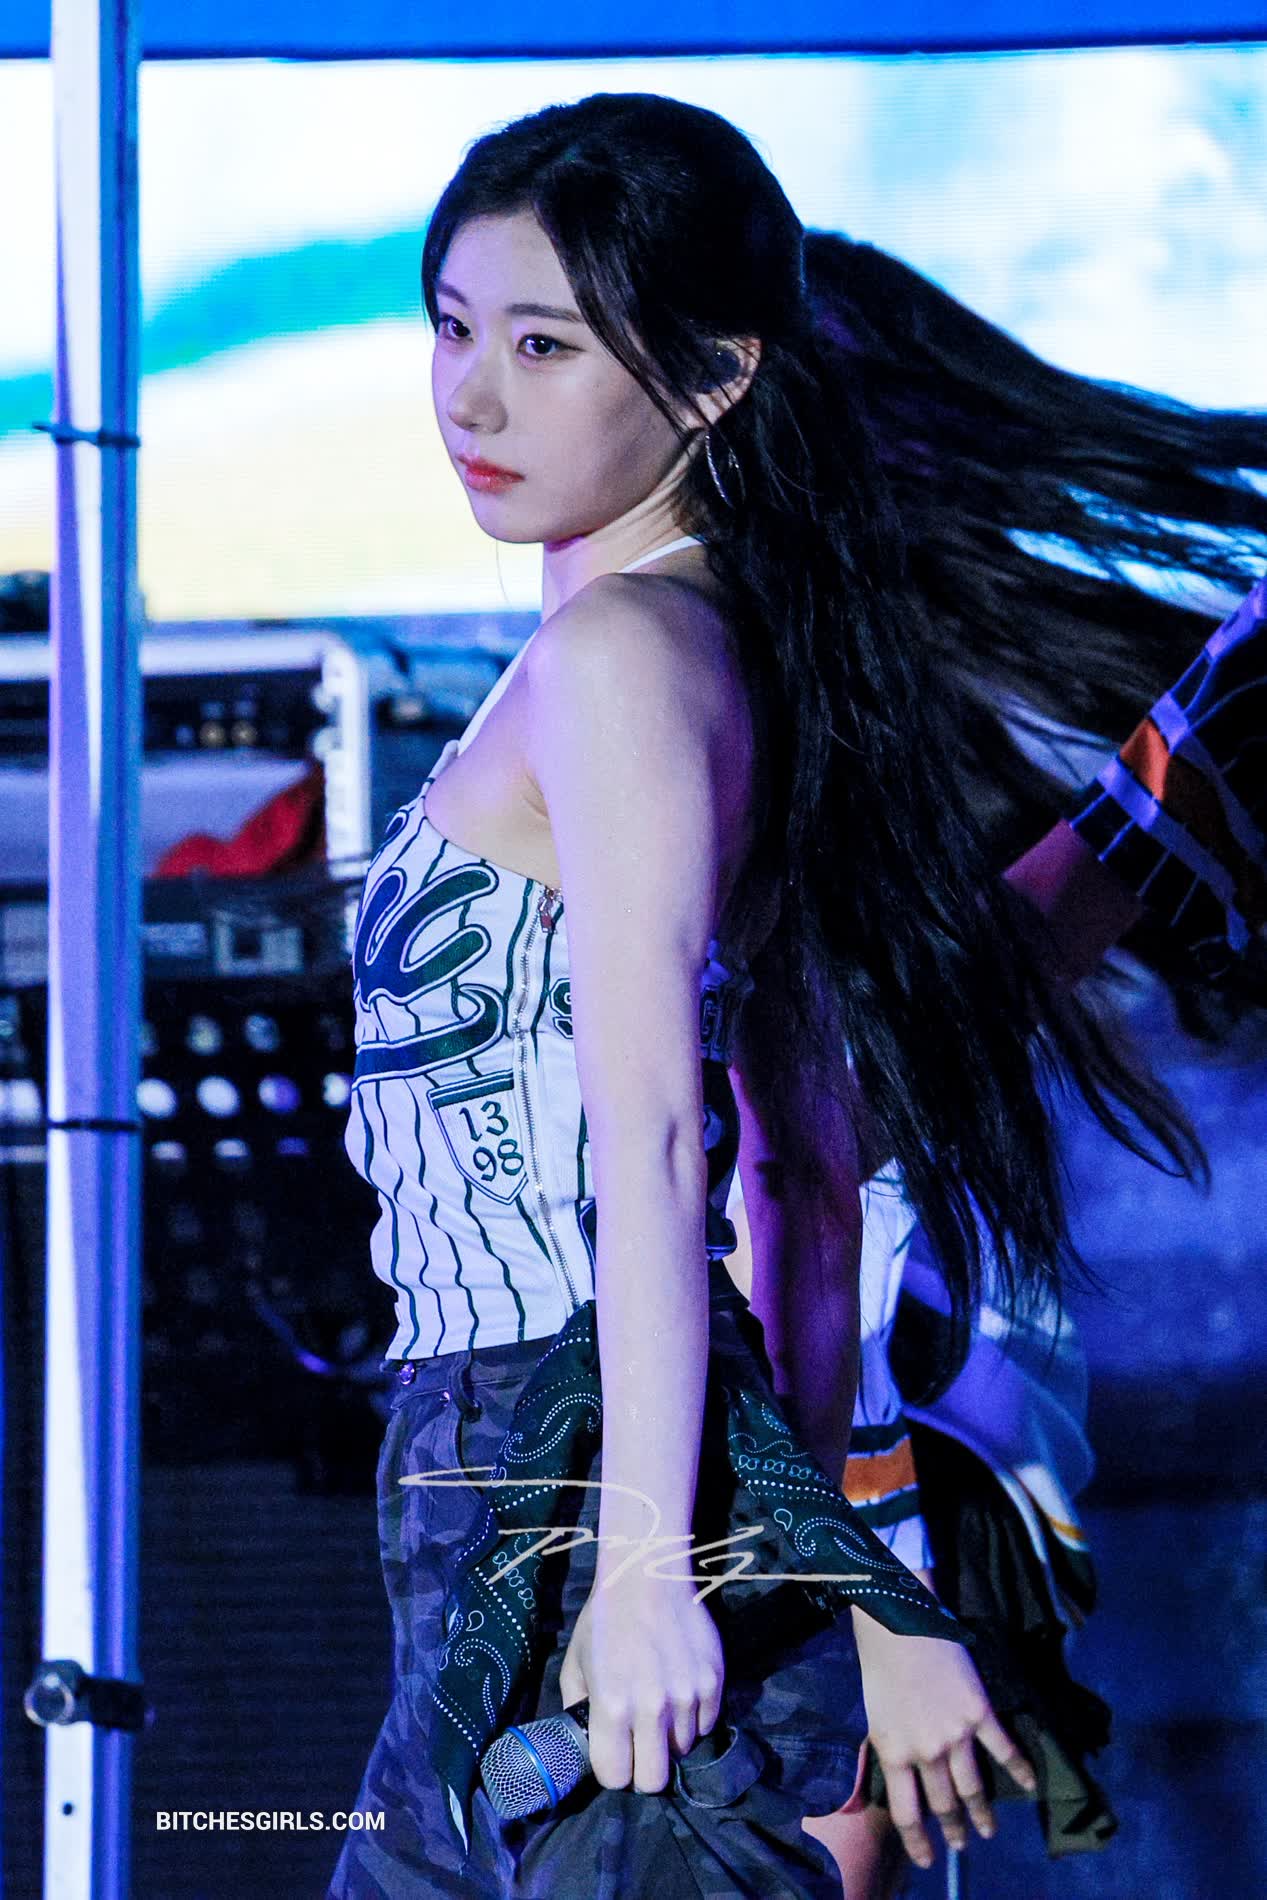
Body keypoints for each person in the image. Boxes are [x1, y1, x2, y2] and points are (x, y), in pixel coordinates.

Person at [328, 93, 1265, 1898]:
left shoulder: (628, 654)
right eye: (451, 329)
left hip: (570, 1451)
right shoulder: (667, 645)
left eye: (542, 346)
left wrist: (652, 1566)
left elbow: (673, 1143)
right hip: (533, 1461)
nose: (470, 399)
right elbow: (813, 1160)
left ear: (710, 381)